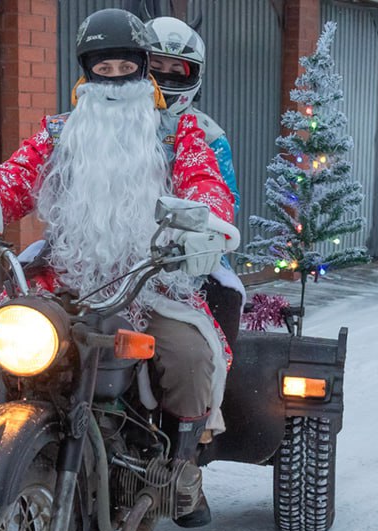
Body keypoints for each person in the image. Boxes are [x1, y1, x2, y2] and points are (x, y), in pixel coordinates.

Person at [0, 9, 236, 527]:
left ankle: (182, 466)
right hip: (65, 277)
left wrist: (202, 222)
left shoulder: (180, 133)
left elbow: (205, 182)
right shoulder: (60, 131)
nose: (115, 79)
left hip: (150, 281)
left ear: (142, 69)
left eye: (126, 67)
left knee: (189, 355)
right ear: (86, 71)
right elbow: (16, 176)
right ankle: (1, 441)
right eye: (104, 67)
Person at [146, 15, 245, 345]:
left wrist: (205, 227)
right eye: (156, 66)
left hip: (184, 251)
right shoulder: (103, 119)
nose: (165, 76)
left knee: (224, 299)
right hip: (108, 247)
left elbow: (220, 190)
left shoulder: (205, 133)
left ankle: (218, 374)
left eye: (177, 70)